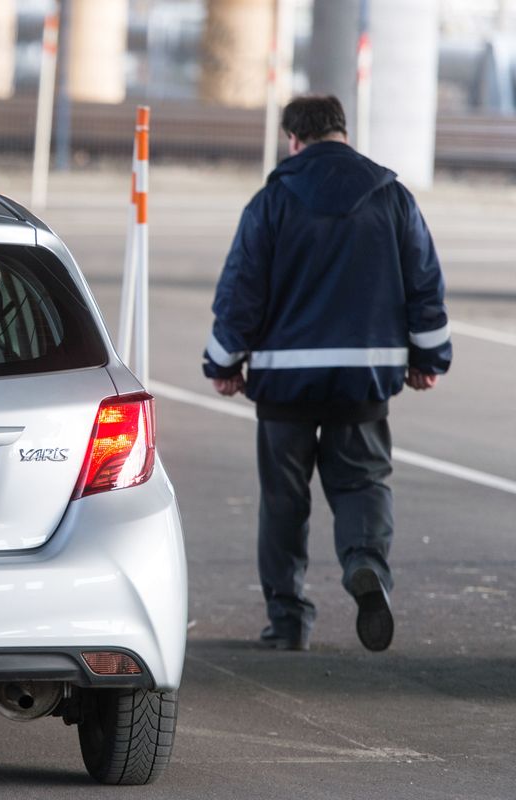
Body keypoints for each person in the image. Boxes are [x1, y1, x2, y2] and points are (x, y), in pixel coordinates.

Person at [202, 95, 451, 653]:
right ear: (342, 131)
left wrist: (222, 362)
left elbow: (242, 290)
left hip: (284, 383)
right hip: (363, 378)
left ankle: (288, 619)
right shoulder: (393, 198)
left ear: (294, 139)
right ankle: (367, 567)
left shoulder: (271, 202)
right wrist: (428, 359)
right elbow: (425, 286)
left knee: (284, 502)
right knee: (362, 483)